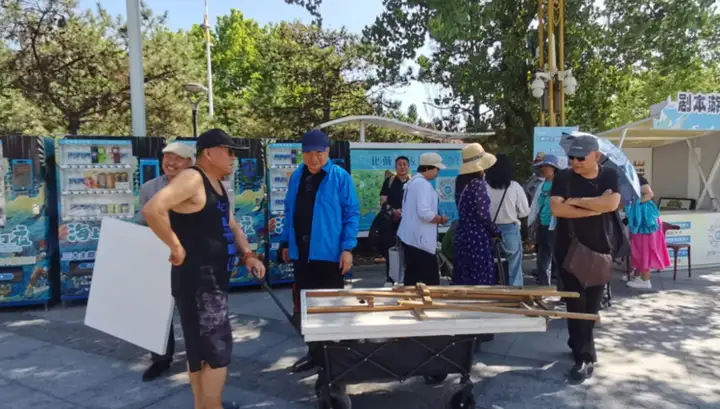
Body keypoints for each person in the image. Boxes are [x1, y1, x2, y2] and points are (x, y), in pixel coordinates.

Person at [143, 129, 266, 409]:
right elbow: (153, 209)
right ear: (209, 153)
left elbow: (231, 224)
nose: (234, 158)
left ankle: (204, 405)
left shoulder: (217, 184)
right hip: (199, 283)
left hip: (211, 281)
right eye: (229, 151)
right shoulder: (192, 178)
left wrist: (248, 255)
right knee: (217, 351)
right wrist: (176, 247)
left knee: (201, 352)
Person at [278, 130, 360, 373]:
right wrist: (285, 242)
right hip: (302, 253)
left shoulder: (340, 177)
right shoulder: (297, 176)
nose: (313, 158)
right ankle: (315, 353)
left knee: (330, 309)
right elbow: (289, 211)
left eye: (319, 152)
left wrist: (347, 248)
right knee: (308, 308)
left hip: (330, 255)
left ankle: (333, 360)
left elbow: (351, 214)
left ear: (327, 152)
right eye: (308, 153)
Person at [550, 134, 621, 384]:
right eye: (571, 157)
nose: (575, 162)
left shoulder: (609, 175)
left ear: (597, 156)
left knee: (591, 306)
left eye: (581, 157)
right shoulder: (563, 177)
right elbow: (557, 208)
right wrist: (595, 206)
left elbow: (612, 204)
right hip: (569, 249)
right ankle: (585, 357)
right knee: (576, 303)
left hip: (601, 250)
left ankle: (577, 341)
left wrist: (577, 202)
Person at [135, 141, 195, 382]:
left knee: (191, 308)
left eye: (177, 158)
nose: (170, 163)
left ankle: (197, 358)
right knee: (157, 309)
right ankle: (160, 359)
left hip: (191, 256)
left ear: (189, 162)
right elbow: (142, 221)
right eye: (166, 157)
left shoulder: (198, 184)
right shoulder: (149, 188)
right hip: (158, 256)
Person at [397, 152, 448, 286]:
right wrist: (440, 219)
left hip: (411, 237)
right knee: (431, 280)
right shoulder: (422, 185)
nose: (437, 172)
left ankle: (409, 297)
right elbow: (424, 212)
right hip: (420, 240)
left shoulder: (413, 182)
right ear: (427, 168)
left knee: (412, 277)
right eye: (436, 169)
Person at [452, 143, 499, 285]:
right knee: (480, 279)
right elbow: (483, 214)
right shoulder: (478, 184)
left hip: (462, 233)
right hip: (477, 236)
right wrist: (495, 231)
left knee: (464, 276)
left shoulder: (460, 182)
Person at [485, 154, 530, 287]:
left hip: (488, 229)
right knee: (514, 264)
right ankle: (515, 291)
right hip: (510, 228)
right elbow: (524, 212)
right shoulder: (515, 186)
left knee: (489, 262)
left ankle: (490, 289)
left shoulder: (484, 186)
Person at [625, 175, 670, 289]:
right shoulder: (628, 183)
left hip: (646, 222)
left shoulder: (637, 180)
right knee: (638, 249)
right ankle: (639, 276)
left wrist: (635, 204)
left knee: (645, 249)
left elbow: (649, 194)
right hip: (641, 220)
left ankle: (645, 280)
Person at [528, 155, 563, 286]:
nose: (544, 169)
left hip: (556, 225)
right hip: (542, 225)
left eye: (547, 166)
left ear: (554, 168)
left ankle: (561, 288)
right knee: (543, 258)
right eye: (543, 166)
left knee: (556, 258)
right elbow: (535, 206)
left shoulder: (560, 186)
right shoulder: (541, 186)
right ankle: (544, 286)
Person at [378, 156, 411, 284]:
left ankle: (407, 279)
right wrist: (393, 211)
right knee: (391, 251)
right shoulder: (389, 181)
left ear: (408, 167)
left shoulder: (412, 183)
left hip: (407, 224)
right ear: (395, 167)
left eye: (404, 164)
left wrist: (404, 212)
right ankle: (390, 278)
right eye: (399, 164)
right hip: (391, 223)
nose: (402, 167)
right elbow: (383, 201)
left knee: (408, 251)